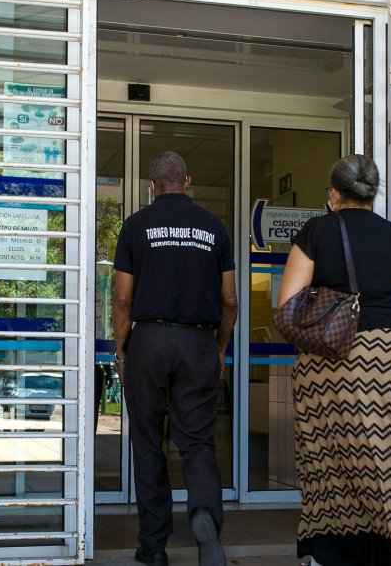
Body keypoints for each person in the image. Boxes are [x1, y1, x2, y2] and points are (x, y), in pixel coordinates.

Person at [278, 154, 391, 566]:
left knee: (332, 461)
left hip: (330, 361)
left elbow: (288, 305)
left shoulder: (317, 231)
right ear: (371, 194)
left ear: (335, 193)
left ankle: (335, 551)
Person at [112, 151, 238, 566]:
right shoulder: (214, 227)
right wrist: (219, 348)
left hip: (148, 341)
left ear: (151, 186)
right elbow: (230, 300)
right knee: (198, 443)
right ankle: (203, 518)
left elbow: (123, 298)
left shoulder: (135, 226)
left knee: (148, 444)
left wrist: (122, 350)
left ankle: (153, 547)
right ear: (188, 182)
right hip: (199, 342)